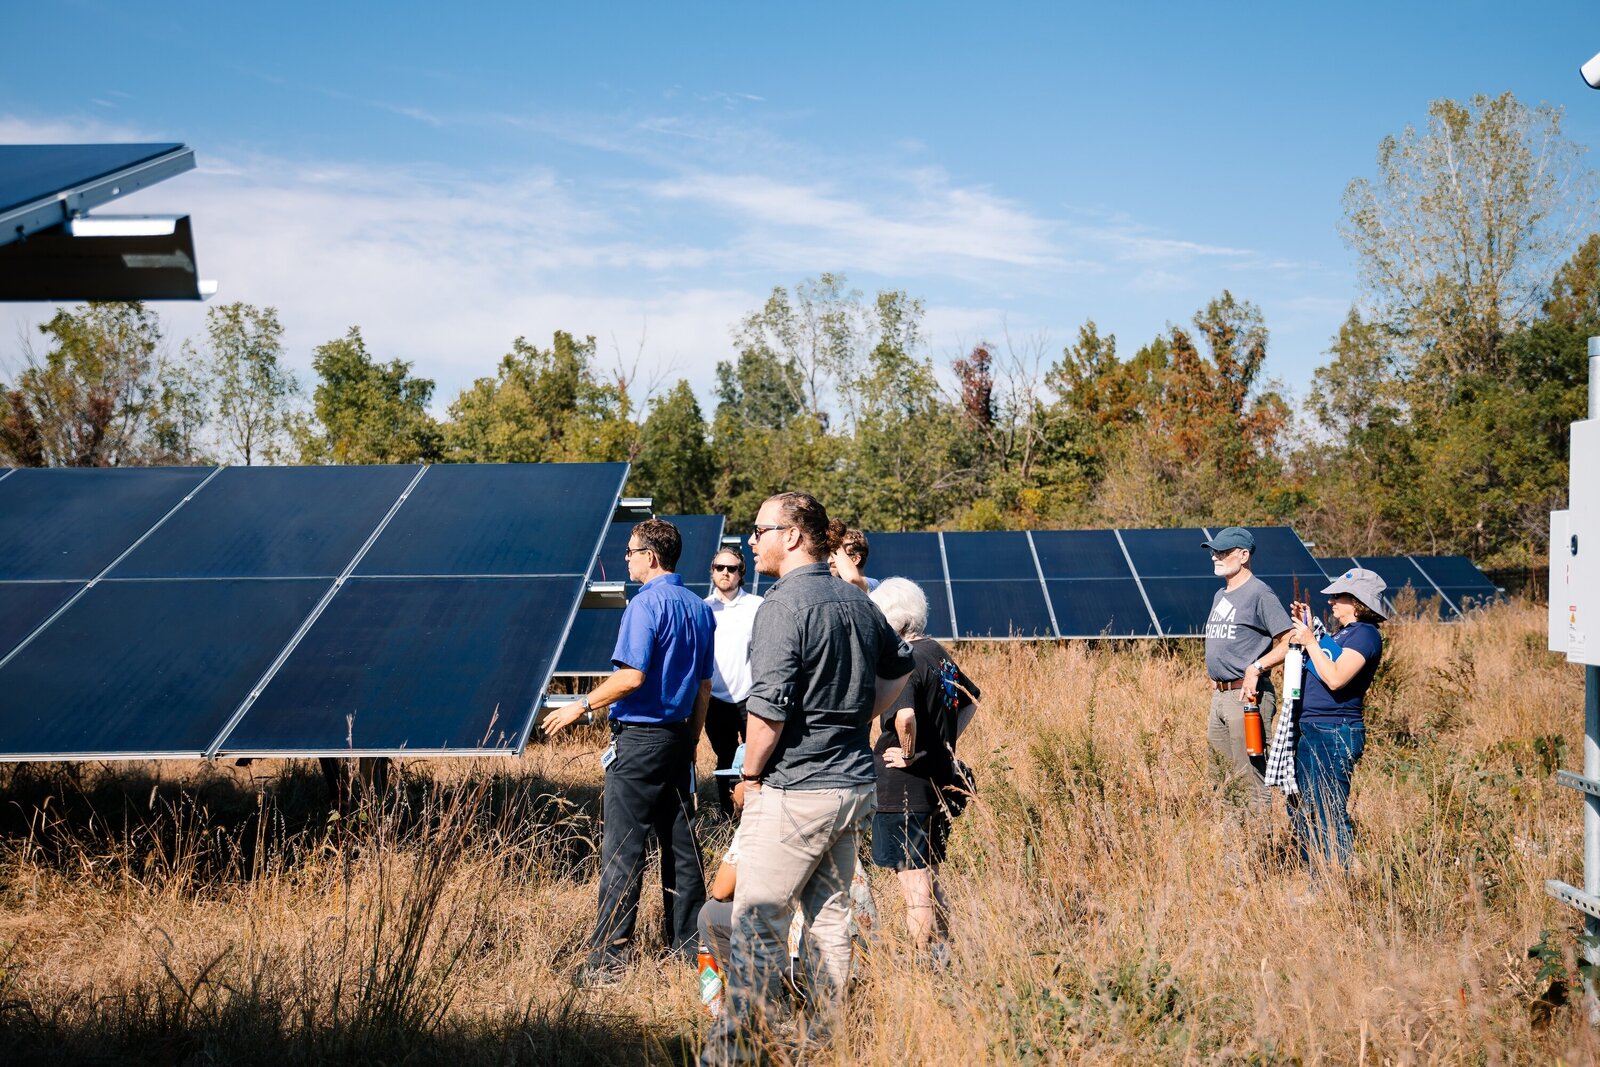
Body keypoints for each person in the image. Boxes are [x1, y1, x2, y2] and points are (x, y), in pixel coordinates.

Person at [701, 492, 914, 1064]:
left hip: (796, 789)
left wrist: (748, 774)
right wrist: (856, 718)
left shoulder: (782, 605)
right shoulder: (855, 600)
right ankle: (824, 1043)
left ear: (792, 535)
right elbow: (899, 670)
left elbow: (766, 711)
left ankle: (735, 1054)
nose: (751, 540)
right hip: (850, 786)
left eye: (760, 529)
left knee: (755, 923)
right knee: (829, 920)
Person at [541, 518, 716, 987]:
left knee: (623, 849)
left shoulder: (644, 606)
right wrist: (690, 740)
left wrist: (580, 705)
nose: (626, 558)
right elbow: (703, 687)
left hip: (639, 743)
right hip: (678, 739)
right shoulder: (700, 609)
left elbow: (632, 677)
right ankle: (688, 951)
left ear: (651, 557)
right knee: (682, 849)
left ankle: (607, 962)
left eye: (630, 551)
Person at [867, 577, 979, 960]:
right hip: (938, 780)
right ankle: (946, 956)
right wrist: (944, 746)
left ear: (894, 620)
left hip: (904, 787)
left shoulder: (907, 660)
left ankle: (925, 964)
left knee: (913, 881)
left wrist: (911, 752)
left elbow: (906, 716)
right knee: (929, 874)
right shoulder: (938, 652)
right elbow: (969, 702)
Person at [1285, 567, 1387, 874]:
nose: (1332, 603)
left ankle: (1335, 881)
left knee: (1328, 808)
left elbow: (1336, 678)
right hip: (1313, 728)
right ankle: (1317, 877)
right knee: (1304, 808)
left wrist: (1311, 642)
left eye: (1338, 597)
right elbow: (1328, 656)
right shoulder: (1344, 634)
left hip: (1335, 730)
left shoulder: (1366, 635)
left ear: (1357, 602)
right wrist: (1310, 629)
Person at [1201, 527, 1293, 811]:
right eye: (1214, 552)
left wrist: (1256, 667)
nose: (1216, 557)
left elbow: (1290, 641)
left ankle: (1257, 852)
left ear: (1243, 555)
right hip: (1221, 696)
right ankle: (1233, 851)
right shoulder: (1220, 594)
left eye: (1223, 552)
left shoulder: (1260, 594)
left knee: (1249, 780)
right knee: (1222, 778)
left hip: (1247, 697)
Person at [705, 547, 762, 817]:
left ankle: (755, 814)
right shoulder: (703, 609)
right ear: (712, 571)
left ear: (741, 574)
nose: (725, 573)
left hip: (750, 698)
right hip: (715, 700)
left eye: (732, 568)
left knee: (758, 759)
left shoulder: (756, 606)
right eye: (720, 568)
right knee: (724, 759)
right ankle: (729, 816)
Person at [828, 523, 878, 593]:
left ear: (855, 559)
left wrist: (835, 543)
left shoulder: (873, 585)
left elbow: (852, 579)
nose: (829, 561)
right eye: (830, 555)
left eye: (838, 555)